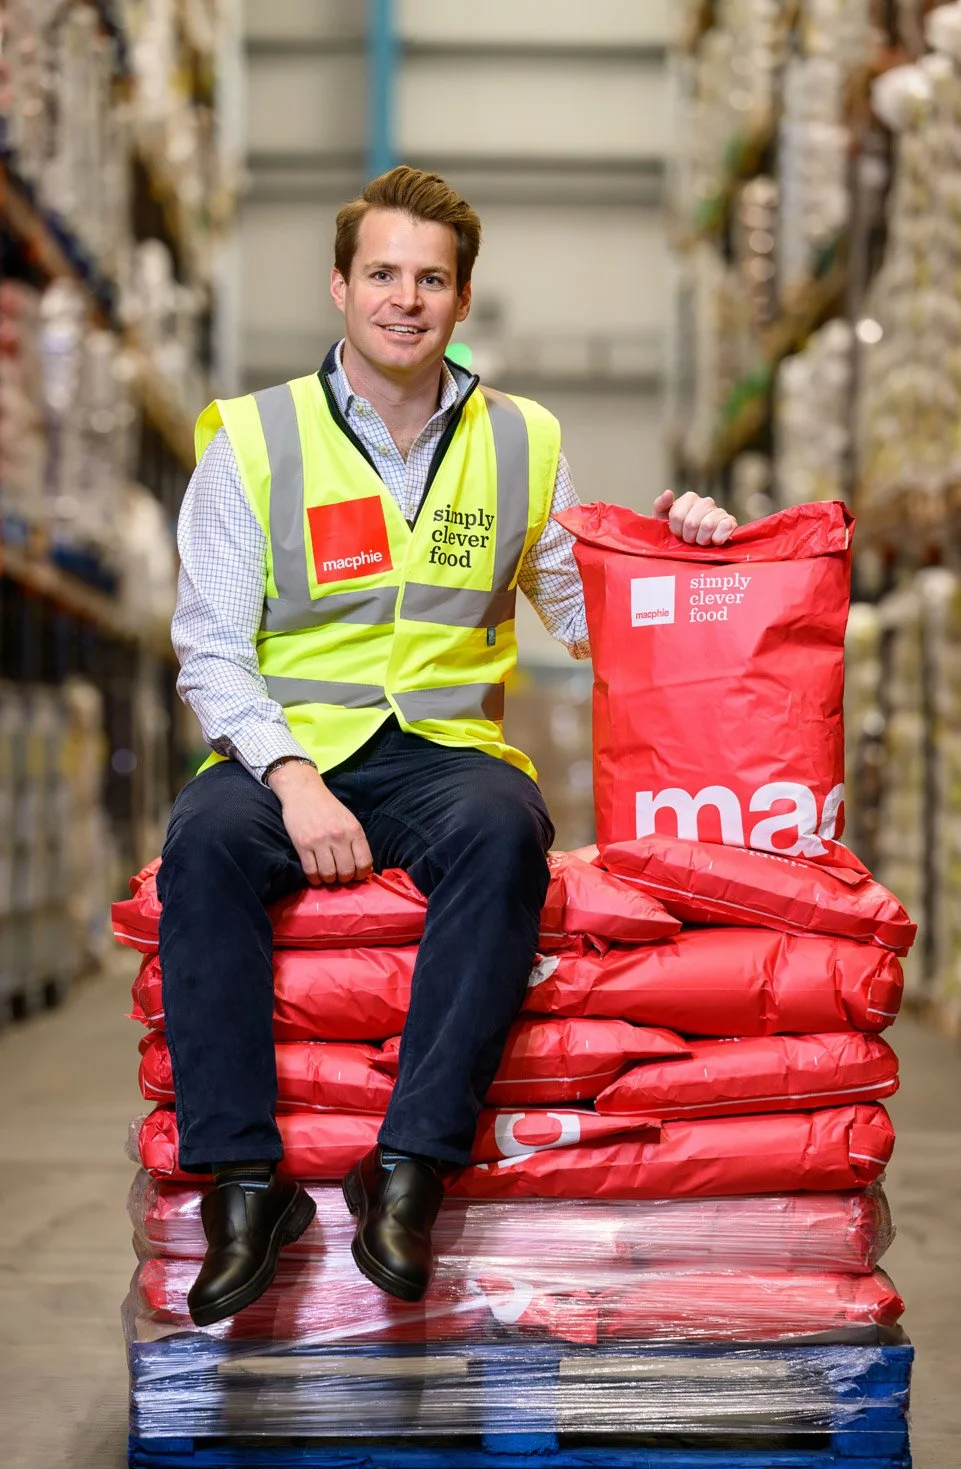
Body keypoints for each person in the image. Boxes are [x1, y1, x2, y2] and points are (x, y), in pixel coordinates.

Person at [159, 165, 737, 1328]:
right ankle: (242, 1184)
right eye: (382, 273)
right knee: (203, 847)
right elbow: (211, 649)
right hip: (289, 748)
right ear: (339, 285)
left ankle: (408, 1168)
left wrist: (687, 549)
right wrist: (293, 780)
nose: (404, 299)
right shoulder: (254, 439)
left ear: (462, 301)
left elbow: (592, 619)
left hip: (440, 750)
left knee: (504, 829)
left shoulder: (522, 439)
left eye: (431, 279)